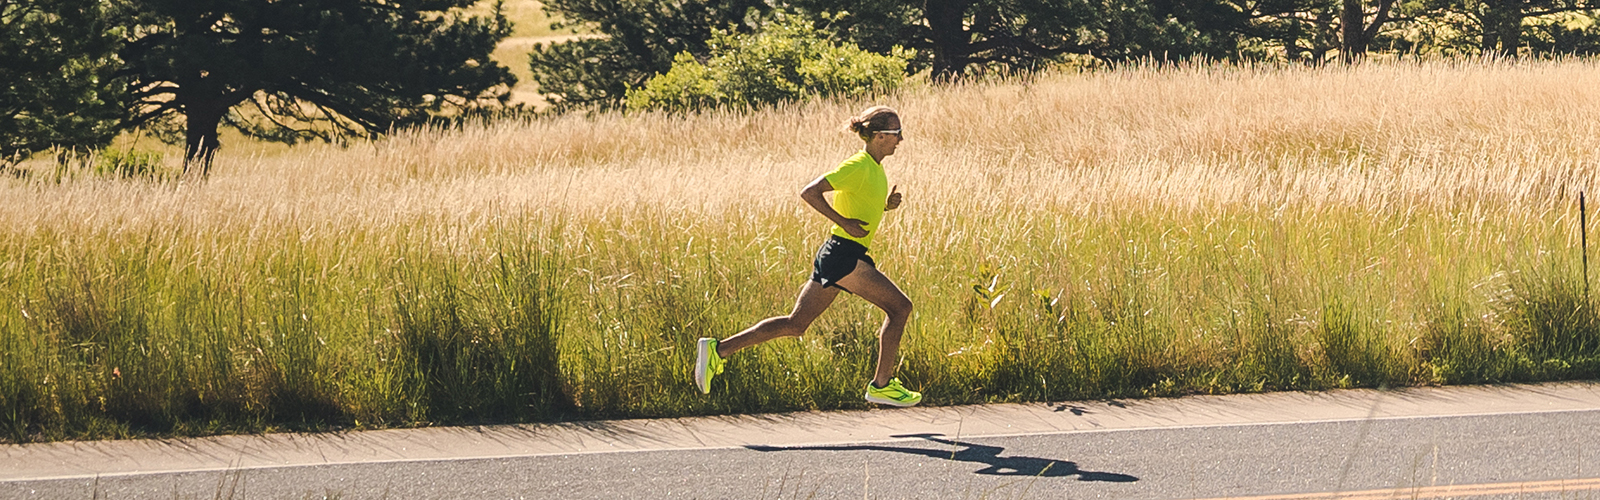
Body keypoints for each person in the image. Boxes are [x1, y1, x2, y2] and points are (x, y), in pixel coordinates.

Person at [693, 105, 921, 407]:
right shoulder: (858, 165)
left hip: (837, 253)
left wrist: (885, 206)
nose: (901, 139)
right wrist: (844, 222)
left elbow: (860, 205)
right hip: (844, 254)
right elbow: (810, 192)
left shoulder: (874, 168)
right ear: (879, 136)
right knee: (900, 308)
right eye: (896, 133)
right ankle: (881, 385)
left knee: (796, 324)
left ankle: (718, 350)